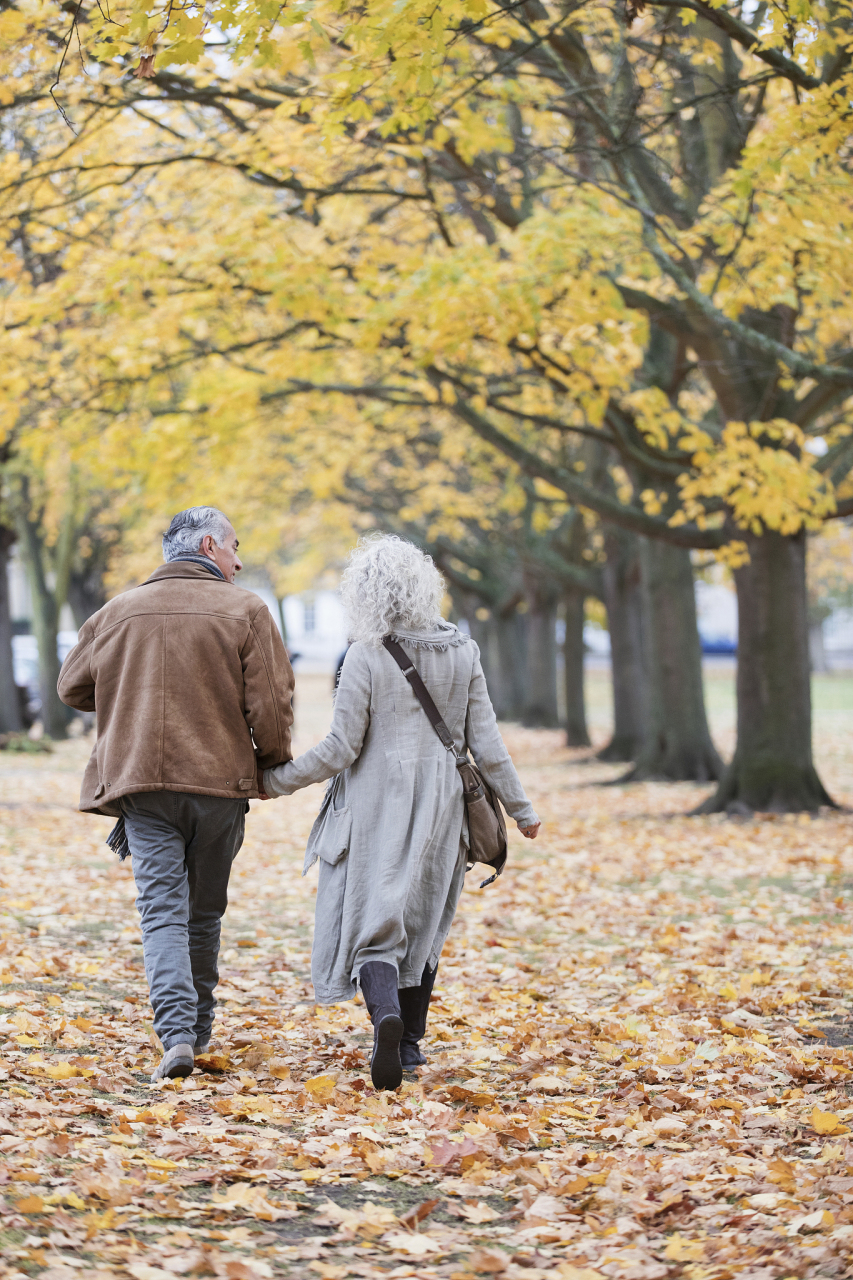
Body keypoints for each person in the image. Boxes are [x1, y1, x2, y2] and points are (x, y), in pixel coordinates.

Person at [260, 535, 539, 1090]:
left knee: (374, 922)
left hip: (374, 803)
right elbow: (486, 743)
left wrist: (275, 781)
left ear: (365, 594)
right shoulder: (464, 650)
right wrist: (521, 808)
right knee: (424, 920)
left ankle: (384, 1018)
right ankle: (409, 1047)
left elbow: (340, 748)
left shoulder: (365, 655)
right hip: (445, 803)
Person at [57, 507, 294, 1082]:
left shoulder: (116, 612)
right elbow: (272, 707)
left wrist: (132, 698)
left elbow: (72, 687)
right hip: (219, 784)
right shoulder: (247, 611)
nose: (239, 561)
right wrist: (270, 763)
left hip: (141, 785)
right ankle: (200, 1028)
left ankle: (176, 1034)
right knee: (204, 913)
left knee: (161, 912)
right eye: (235, 547)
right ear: (209, 545)